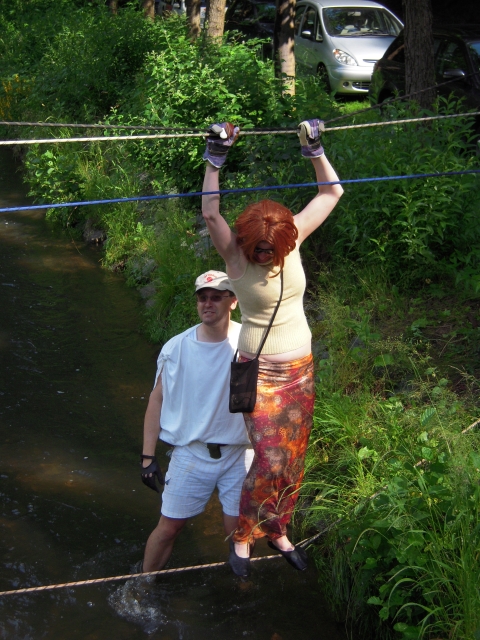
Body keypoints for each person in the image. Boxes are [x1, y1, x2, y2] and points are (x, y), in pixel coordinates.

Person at [201, 119, 344, 576]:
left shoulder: (292, 238)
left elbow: (331, 193)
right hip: (259, 374)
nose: (265, 256)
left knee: (293, 457)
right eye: (258, 249)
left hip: (300, 370)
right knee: (268, 456)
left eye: (272, 250)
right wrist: (215, 159)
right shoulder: (235, 256)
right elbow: (211, 214)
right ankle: (243, 537)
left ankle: (278, 528)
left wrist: (314, 149)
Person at [140, 270, 254, 572]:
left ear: (233, 301)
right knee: (168, 528)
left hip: (240, 453)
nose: (208, 303)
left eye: (216, 297)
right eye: (202, 298)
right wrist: (148, 457)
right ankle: (142, 584)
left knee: (239, 531)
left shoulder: (250, 342)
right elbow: (156, 400)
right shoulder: (176, 348)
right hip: (191, 452)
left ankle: (242, 585)